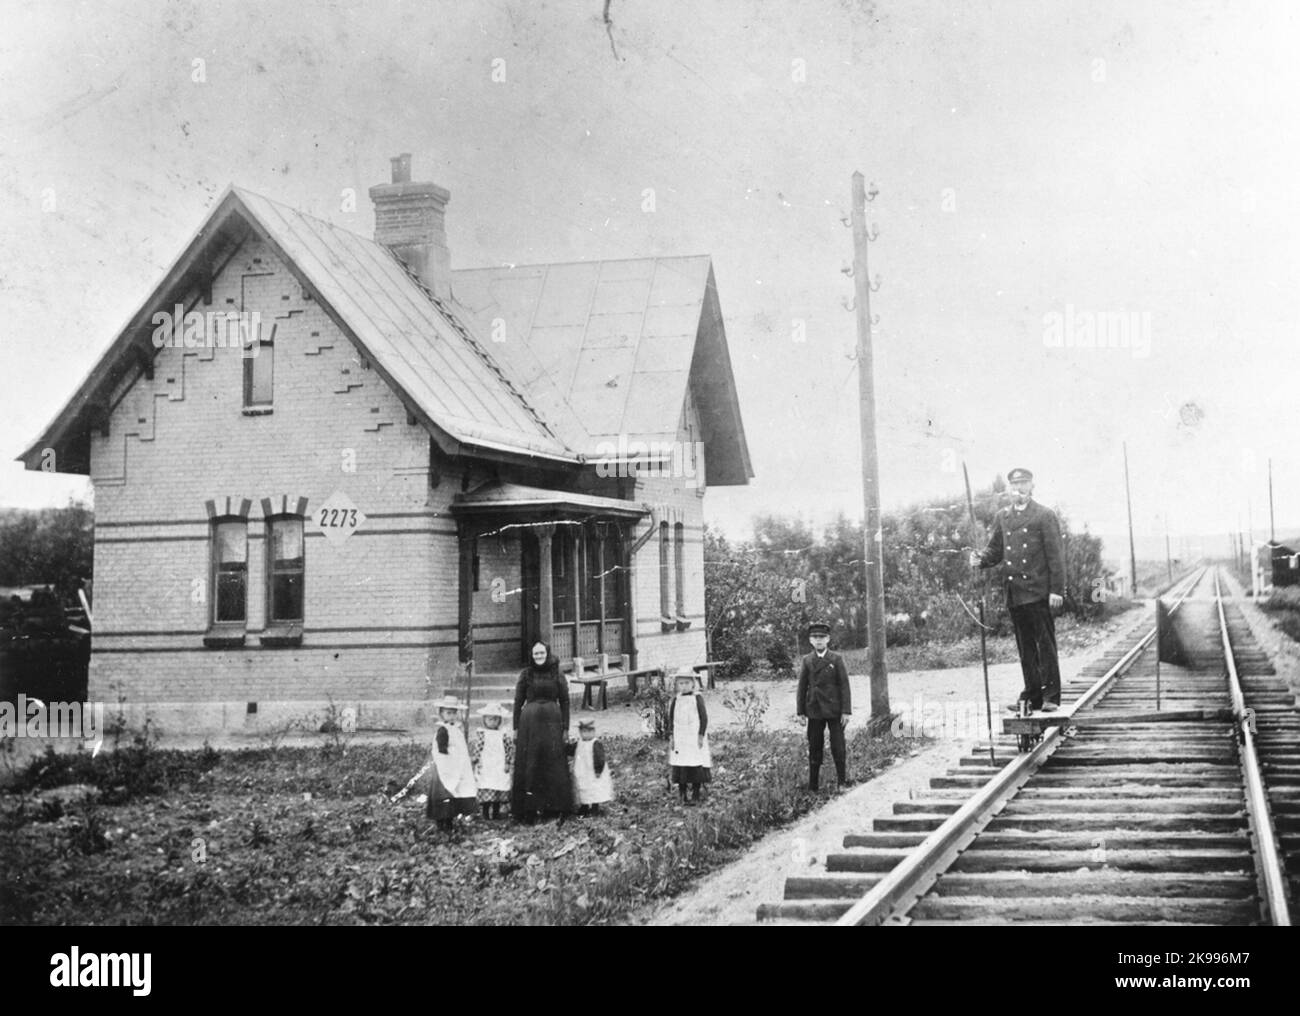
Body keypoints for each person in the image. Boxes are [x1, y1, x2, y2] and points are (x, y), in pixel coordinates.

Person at [970, 467, 1065, 713]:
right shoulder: (1003, 517)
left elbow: (1056, 557)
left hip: (1039, 591)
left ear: (1032, 486)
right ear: (1009, 489)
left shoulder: (1044, 515)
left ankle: (1051, 696)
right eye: (1014, 486)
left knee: (1045, 645)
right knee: (1025, 649)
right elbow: (995, 550)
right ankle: (1032, 694)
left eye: (1023, 484)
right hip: (1015, 593)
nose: (1018, 490)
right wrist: (980, 559)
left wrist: (1057, 590)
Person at [512, 641, 574, 823]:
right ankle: (528, 809)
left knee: (551, 762)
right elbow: (517, 701)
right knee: (530, 762)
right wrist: (515, 728)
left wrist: (566, 728)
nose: (539, 657)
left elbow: (565, 702)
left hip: (552, 724)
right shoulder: (526, 674)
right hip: (529, 725)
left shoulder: (557, 674)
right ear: (532, 656)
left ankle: (553, 808)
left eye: (541, 653)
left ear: (547, 653)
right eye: (535, 654)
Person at [796, 620, 853, 791]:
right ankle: (813, 785)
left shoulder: (836, 659)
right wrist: (800, 712)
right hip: (814, 710)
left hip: (834, 710)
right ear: (810, 641)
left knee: (838, 746)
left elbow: (844, 685)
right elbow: (802, 687)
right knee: (814, 746)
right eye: (815, 637)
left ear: (828, 639)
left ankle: (842, 781)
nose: (819, 640)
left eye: (822, 637)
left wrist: (846, 711)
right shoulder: (807, 660)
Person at [426, 692, 478, 830]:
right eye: (448, 713)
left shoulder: (455, 729)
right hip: (445, 769)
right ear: (442, 714)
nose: (452, 716)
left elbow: (460, 748)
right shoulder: (443, 730)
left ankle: (449, 821)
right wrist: (450, 758)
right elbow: (441, 751)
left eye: (454, 713)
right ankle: (441, 823)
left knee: (453, 794)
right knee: (443, 795)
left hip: (455, 767)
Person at [669, 667, 711, 804]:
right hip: (680, 737)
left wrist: (700, 735)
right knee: (681, 763)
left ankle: (696, 792)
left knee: (695, 762)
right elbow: (671, 719)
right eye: (681, 683)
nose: (684, 686)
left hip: (693, 736)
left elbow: (704, 718)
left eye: (687, 683)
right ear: (677, 685)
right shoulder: (676, 700)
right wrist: (671, 736)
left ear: (693, 683)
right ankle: (682, 793)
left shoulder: (697, 698)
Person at [470, 702, 513, 820]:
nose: (492, 722)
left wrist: (507, 762)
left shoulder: (503, 734)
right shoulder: (482, 734)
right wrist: (476, 758)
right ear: (484, 720)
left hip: (498, 764)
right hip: (486, 764)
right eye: (489, 719)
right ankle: (485, 812)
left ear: (499, 720)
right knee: (486, 784)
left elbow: (509, 748)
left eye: (495, 719)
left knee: (498, 786)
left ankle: (495, 811)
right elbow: (478, 747)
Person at [569, 717, 614, 816]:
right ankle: (584, 806)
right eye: (582, 732)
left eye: (588, 731)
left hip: (593, 772)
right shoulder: (579, 743)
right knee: (582, 788)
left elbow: (600, 758)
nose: (585, 734)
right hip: (582, 771)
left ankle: (595, 807)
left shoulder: (595, 744)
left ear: (593, 732)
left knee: (594, 789)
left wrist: (598, 770)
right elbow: (572, 750)